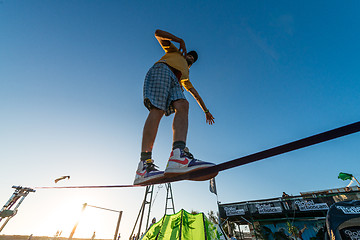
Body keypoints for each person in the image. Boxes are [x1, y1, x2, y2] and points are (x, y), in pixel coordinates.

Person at [134, 29, 215, 185]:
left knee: (184, 105)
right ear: (185, 54)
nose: (190, 58)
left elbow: (195, 94)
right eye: (189, 55)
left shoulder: (185, 76)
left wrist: (206, 110)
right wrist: (179, 40)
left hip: (176, 82)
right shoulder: (175, 52)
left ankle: (177, 155)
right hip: (163, 70)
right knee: (158, 110)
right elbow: (158, 33)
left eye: (192, 59)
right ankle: (144, 165)